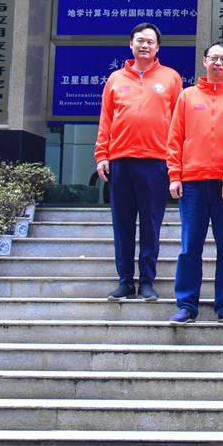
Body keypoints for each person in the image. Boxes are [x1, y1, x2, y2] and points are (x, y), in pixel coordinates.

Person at [95, 23, 183, 301]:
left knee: (150, 224)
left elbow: (179, 125)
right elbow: (106, 119)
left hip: (156, 162)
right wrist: (101, 155)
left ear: (158, 48)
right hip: (120, 160)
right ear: (131, 44)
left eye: (150, 42)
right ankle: (125, 281)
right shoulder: (115, 79)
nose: (145, 45)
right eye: (140, 40)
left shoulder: (171, 78)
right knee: (122, 225)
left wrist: (176, 164)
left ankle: (147, 281)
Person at [165, 41, 223, 326]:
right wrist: (174, 175)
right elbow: (175, 138)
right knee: (190, 247)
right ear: (204, 61)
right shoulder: (187, 96)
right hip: (193, 182)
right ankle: (186, 304)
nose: (218, 63)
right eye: (213, 58)